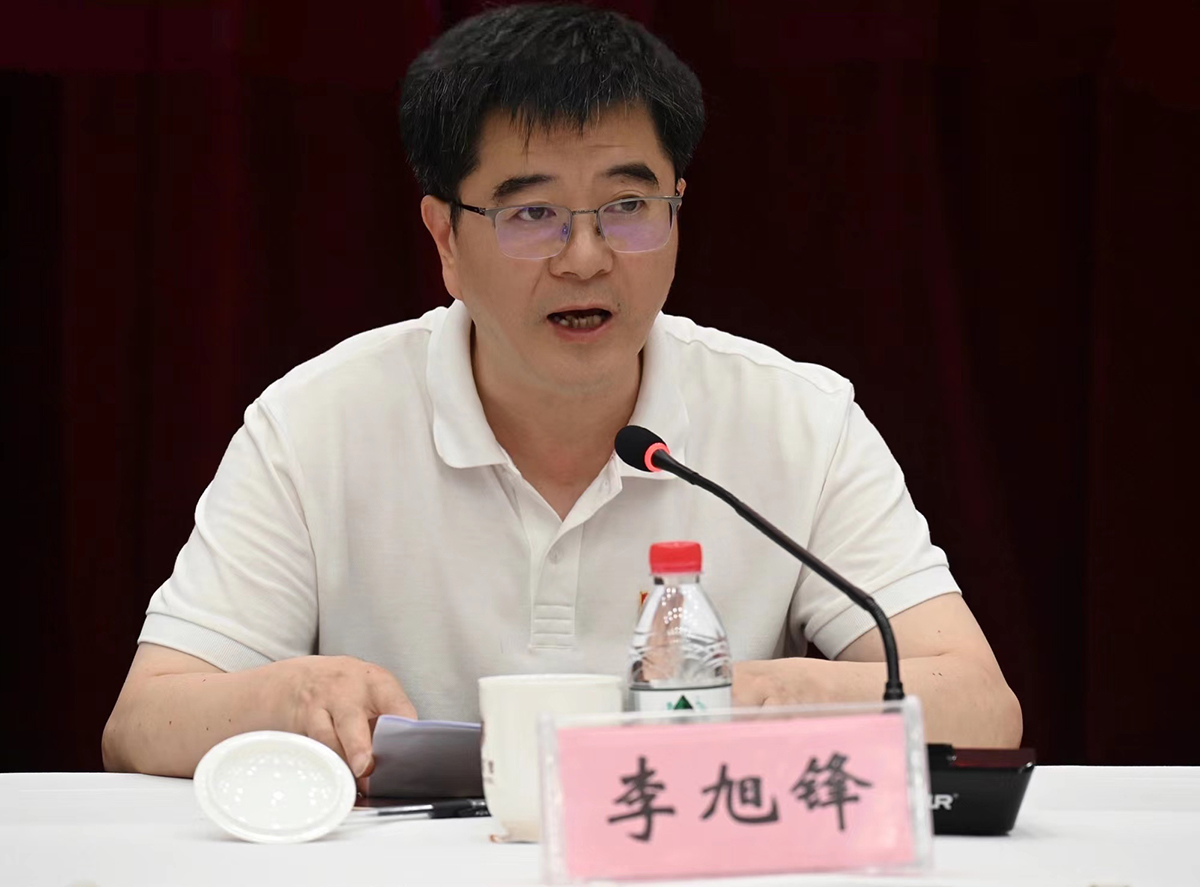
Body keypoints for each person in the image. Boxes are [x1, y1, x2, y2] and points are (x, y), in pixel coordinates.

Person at [102, 4, 1021, 784]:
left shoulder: (800, 421)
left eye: (628, 207)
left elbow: (982, 707)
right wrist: (289, 697)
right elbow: (142, 723)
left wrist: (762, 695)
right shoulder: (316, 422)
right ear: (445, 238)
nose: (585, 258)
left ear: (677, 211)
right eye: (532, 213)